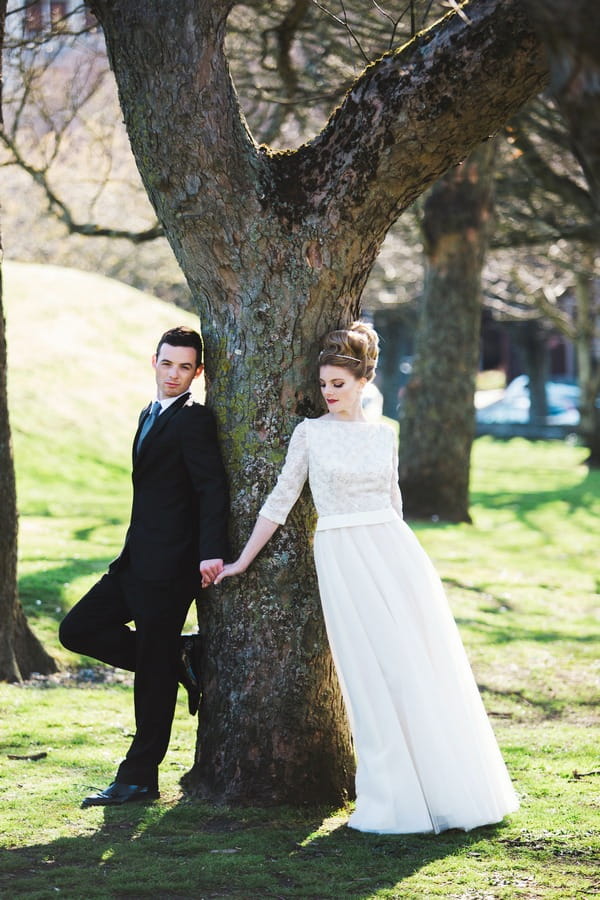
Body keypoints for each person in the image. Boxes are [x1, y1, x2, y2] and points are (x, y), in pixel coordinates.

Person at [213, 321, 519, 834]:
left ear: (362, 382)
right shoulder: (310, 434)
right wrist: (243, 559)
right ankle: (392, 796)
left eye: (338, 384)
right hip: (341, 554)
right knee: (367, 676)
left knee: (416, 667)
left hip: (395, 555)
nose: (329, 394)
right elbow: (280, 501)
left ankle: (448, 791)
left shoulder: (385, 435)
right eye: (324, 384)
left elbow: (394, 505)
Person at [59, 326, 229, 807]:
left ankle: (138, 778)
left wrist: (209, 552)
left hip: (172, 568)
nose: (173, 374)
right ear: (152, 362)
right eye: (166, 363)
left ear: (198, 373)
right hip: (135, 562)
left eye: (184, 367)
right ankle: (178, 656)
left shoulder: (194, 420)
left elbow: (211, 487)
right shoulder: (149, 414)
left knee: (150, 678)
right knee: (77, 629)